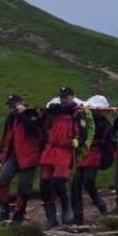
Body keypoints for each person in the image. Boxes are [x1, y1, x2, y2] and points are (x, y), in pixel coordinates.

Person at [39, 86, 90, 227]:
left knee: (58, 181)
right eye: (62, 96)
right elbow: (43, 124)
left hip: (65, 151)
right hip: (50, 150)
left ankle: (67, 208)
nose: (63, 99)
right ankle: (51, 218)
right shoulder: (56, 111)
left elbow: (84, 132)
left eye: (66, 97)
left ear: (72, 97)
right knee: (44, 185)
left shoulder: (78, 113)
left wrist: (78, 142)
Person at [0, 94, 41, 223]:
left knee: (24, 188)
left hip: (29, 156)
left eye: (14, 104)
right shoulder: (11, 118)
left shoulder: (32, 113)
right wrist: (1, 157)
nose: (12, 107)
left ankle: (19, 214)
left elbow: (33, 130)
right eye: (10, 105)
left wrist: (22, 114)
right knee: (2, 180)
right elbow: (6, 138)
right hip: (14, 156)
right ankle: (3, 209)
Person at [70, 95, 114, 224]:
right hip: (82, 153)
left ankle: (101, 205)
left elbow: (97, 136)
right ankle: (77, 216)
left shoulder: (104, 122)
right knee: (75, 184)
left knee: (89, 181)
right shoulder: (82, 117)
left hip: (94, 152)